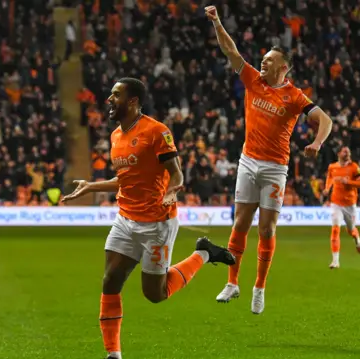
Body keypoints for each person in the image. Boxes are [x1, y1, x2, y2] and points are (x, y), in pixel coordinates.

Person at [61, 77, 236, 359]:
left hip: (157, 223)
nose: (109, 99)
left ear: (132, 101)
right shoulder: (116, 135)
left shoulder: (157, 132)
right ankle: (113, 354)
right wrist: (92, 186)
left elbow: (177, 172)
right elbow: (126, 179)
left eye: (116, 95)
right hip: (125, 218)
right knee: (110, 281)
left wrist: (172, 190)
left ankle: (203, 253)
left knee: (156, 294)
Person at [206, 5, 333, 314]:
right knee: (240, 222)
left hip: (276, 167)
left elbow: (325, 120)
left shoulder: (295, 96)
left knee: (266, 229)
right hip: (248, 161)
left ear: (283, 67)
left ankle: (259, 288)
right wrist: (217, 22)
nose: (262, 61)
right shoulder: (253, 80)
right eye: (262, 58)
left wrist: (317, 142)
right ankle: (232, 282)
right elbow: (231, 51)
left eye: (269, 59)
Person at [323, 146, 360, 269]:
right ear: (339, 154)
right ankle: (335, 261)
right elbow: (330, 177)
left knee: (350, 230)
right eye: (345, 152)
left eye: (349, 152)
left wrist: (349, 182)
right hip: (336, 203)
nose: (347, 153)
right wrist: (327, 188)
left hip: (350, 205)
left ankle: (357, 238)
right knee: (335, 230)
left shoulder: (354, 167)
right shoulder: (332, 167)